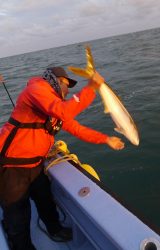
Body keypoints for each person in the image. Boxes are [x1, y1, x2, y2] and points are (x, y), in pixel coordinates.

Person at [0, 67, 125, 250]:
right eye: (66, 84)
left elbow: (77, 129)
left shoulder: (55, 106)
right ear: (54, 80)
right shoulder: (36, 90)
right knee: (18, 213)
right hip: (12, 167)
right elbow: (64, 111)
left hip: (35, 165)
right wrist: (90, 87)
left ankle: (55, 229)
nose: (67, 90)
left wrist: (106, 139)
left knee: (45, 199)